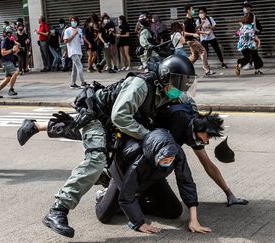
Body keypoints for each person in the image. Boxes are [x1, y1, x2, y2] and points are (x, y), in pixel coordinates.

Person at [16, 55, 198, 238]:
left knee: (81, 132)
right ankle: (58, 210)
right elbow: (120, 117)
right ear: (165, 77)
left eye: (184, 83)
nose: (180, 88)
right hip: (99, 117)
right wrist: (149, 136)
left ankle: (34, 125)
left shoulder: (168, 90)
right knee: (97, 157)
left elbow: (187, 101)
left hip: (115, 124)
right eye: (178, 82)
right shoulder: (140, 85)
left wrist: (199, 121)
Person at [95, 127, 214, 234]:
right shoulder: (139, 161)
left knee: (174, 211)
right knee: (104, 216)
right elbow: (126, 196)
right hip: (123, 175)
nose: (168, 162)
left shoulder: (177, 153)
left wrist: (194, 220)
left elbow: (186, 182)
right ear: (155, 155)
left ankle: (137, 201)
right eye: (165, 159)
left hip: (153, 176)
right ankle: (104, 194)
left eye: (170, 159)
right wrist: (139, 223)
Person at [184, 4, 215, 76]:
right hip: (191, 40)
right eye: (192, 9)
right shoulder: (186, 21)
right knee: (203, 51)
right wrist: (193, 34)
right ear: (188, 11)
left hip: (193, 39)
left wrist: (202, 28)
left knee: (194, 56)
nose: (193, 11)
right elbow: (184, 33)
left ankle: (184, 67)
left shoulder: (191, 19)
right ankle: (207, 69)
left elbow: (195, 30)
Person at [0, 28, 20, 98]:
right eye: (12, 33)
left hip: (10, 60)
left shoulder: (10, 41)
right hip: (5, 61)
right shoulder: (4, 41)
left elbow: (14, 50)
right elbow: (3, 53)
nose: (13, 35)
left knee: (8, 78)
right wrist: (12, 50)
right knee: (15, 73)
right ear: (8, 34)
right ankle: (11, 90)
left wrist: (16, 48)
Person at [64, 16, 87, 89]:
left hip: (79, 50)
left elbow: (81, 41)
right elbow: (66, 41)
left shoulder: (80, 30)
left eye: (74, 21)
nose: (73, 22)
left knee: (75, 68)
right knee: (80, 66)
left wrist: (82, 38)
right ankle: (83, 82)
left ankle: (72, 83)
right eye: (72, 21)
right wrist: (74, 34)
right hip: (72, 51)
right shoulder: (67, 30)